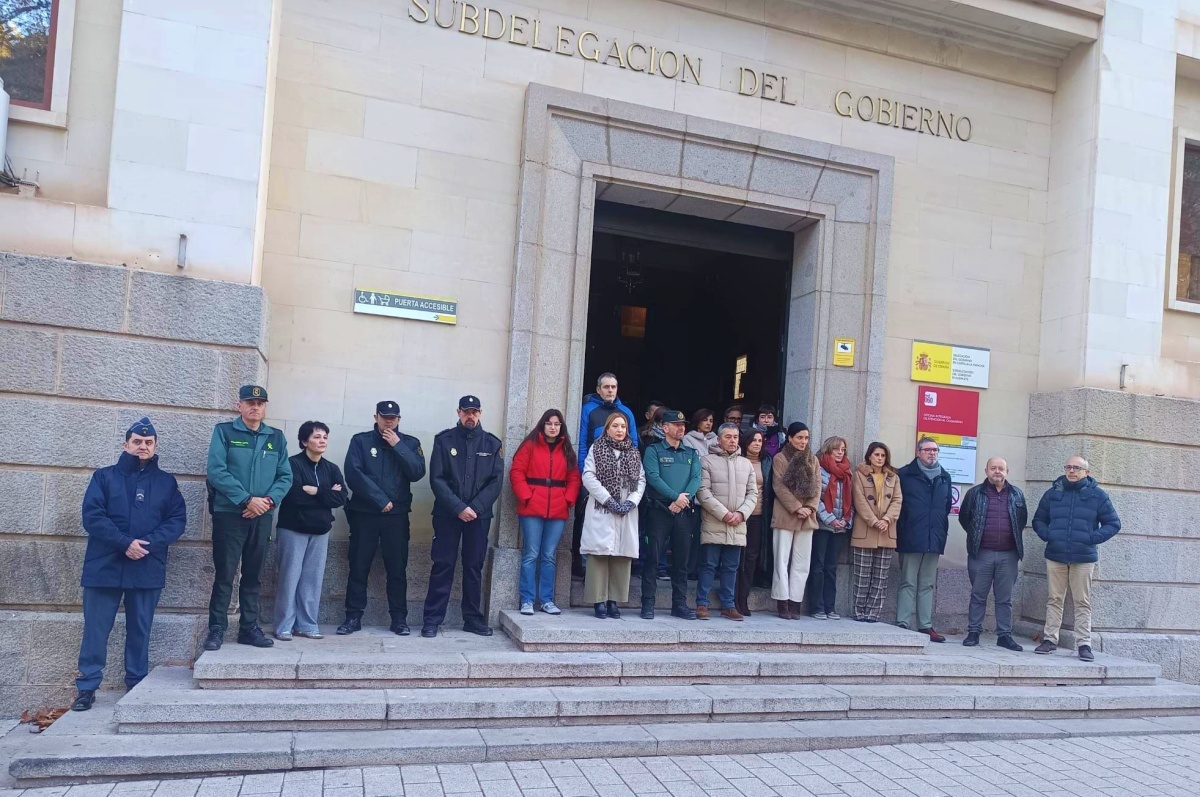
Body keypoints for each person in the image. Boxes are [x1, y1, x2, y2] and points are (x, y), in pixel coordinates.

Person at [71, 418, 186, 712]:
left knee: (140, 629)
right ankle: (87, 687)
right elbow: (92, 517)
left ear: (155, 446)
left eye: (148, 442)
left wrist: (145, 544)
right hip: (104, 566)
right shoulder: (104, 477)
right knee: (96, 630)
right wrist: (125, 543)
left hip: (146, 565)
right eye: (137, 441)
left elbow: (176, 521)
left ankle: (135, 683)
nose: (142, 446)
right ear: (126, 445)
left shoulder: (167, 483)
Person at [204, 385, 292, 651]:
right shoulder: (224, 432)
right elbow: (216, 471)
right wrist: (246, 499)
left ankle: (249, 628)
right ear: (239, 406)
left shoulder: (276, 437)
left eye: (260, 403)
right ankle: (217, 629)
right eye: (250, 402)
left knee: (253, 575)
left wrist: (266, 502)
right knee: (225, 574)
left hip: (262, 515)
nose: (255, 407)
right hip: (230, 514)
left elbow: (285, 476)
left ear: (265, 407)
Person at [338, 401, 427, 637]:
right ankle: (353, 617)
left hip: (396, 517)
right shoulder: (360, 441)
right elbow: (353, 474)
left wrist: (398, 446)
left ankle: (399, 619)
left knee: (397, 569)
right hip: (365, 515)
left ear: (399, 419)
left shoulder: (410, 443)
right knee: (358, 566)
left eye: (393, 417)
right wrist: (379, 500)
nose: (389, 421)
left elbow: (417, 473)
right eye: (385, 416)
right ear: (376, 416)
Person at [422, 395, 504, 638]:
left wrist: (475, 508)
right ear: (458, 412)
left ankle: (472, 619)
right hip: (447, 514)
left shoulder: (492, 444)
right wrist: (458, 507)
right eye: (466, 411)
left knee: (473, 567)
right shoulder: (444, 440)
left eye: (475, 412)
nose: (471, 416)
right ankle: (432, 620)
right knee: (442, 565)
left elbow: (496, 482)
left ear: (480, 413)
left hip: (479, 517)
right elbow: (437, 478)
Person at [1033, 455, 1121, 661]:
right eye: (1068, 467)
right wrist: (1048, 535)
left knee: (1082, 601)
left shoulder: (1098, 495)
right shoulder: (1053, 493)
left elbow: (1113, 523)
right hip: (1056, 554)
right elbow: (1038, 520)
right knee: (1054, 599)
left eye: (1076, 468)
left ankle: (1084, 644)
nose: (1071, 471)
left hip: (1083, 557)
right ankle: (1050, 640)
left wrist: (1092, 538)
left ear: (1086, 472)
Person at [274, 421, 347, 641]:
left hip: (320, 531)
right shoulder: (292, 464)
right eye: (317, 436)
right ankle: (284, 625)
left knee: (312, 580)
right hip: (293, 529)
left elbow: (341, 498)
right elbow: (294, 495)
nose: (322, 440)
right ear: (305, 441)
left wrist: (316, 491)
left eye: (325, 437)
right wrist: (327, 494)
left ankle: (306, 624)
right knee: (289, 578)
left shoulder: (331, 468)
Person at [510, 409, 581, 615]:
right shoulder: (530, 445)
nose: (553, 427)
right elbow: (516, 472)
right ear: (543, 425)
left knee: (549, 556)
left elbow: (574, 478)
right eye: (549, 423)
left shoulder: (566, 449)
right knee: (531, 554)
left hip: (557, 509)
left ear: (561, 427)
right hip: (532, 508)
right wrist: (526, 496)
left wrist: (568, 499)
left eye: (557, 424)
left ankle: (546, 600)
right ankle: (527, 600)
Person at [580, 413, 646, 618]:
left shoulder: (633, 451)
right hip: (602, 508)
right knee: (599, 554)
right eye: (615, 426)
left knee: (621, 555)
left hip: (626, 510)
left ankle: (614, 601)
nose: (619, 430)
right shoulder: (597, 448)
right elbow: (588, 476)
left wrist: (630, 502)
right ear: (607, 428)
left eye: (623, 427)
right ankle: (598, 600)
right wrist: (608, 500)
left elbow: (641, 480)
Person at [958, 456, 1027, 651]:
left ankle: (1004, 635)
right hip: (982, 553)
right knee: (978, 595)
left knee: (1004, 598)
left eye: (1001, 468)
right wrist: (978, 536)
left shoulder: (1017, 494)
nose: (997, 471)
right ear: (986, 471)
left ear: (1007, 471)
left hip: (1008, 555)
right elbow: (965, 519)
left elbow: (1021, 521)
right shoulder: (974, 494)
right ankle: (974, 632)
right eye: (993, 468)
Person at [573, 373, 639, 577]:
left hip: (622, 482)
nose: (610, 390)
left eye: (613, 387)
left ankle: (614, 569)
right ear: (598, 389)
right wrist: (584, 474)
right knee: (589, 523)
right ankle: (584, 567)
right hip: (594, 478)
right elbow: (582, 443)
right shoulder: (588, 410)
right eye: (606, 387)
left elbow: (634, 445)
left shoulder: (626, 412)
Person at [640, 409, 702, 619]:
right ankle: (648, 603)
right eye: (676, 425)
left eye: (683, 425)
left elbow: (696, 478)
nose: (681, 428)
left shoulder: (691, 453)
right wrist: (676, 497)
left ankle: (679, 605)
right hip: (659, 510)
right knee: (653, 558)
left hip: (683, 511)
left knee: (681, 561)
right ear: (665, 428)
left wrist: (683, 499)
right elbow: (653, 477)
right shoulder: (653, 450)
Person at [696, 423, 758, 621]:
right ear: (719, 439)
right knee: (708, 564)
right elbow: (702, 491)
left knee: (731, 566)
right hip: (714, 521)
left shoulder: (746, 464)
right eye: (728, 437)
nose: (732, 441)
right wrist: (724, 514)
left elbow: (753, 494)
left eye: (735, 437)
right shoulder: (706, 461)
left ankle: (728, 605)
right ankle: (702, 603)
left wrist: (741, 513)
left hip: (737, 523)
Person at [895, 437, 953, 642]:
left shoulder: (944, 477)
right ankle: (902, 623)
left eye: (935, 450)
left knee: (927, 583)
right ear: (918, 452)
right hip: (911, 535)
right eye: (927, 450)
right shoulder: (904, 474)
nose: (932, 453)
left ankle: (925, 625)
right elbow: (898, 504)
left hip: (934, 537)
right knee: (908, 581)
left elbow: (946, 507)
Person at [770, 422, 821, 619]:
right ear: (790, 438)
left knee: (802, 562)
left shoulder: (813, 459)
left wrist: (809, 508)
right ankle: (782, 601)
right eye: (799, 437)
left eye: (806, 438)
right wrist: (797, 507)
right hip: (786, 514)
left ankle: (795, 601)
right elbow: (779, 486)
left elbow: (817, 487)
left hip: (807, 517)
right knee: (781, 560)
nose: (803, 441)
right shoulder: (780, 458)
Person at [850, 442, 902, 623]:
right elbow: (859, 500)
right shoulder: (859, 475)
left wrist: (886, 519)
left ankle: (873, 613)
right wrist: (873, 520)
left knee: (880, 577)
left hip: (886, 530)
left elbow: (897, 501)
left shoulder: (894, 478)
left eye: (883, 455)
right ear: (869, 456)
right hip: (865, 530)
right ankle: (859, 611)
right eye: (877, 455)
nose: (880, 458)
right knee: (862, 575)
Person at [809, 436, 853, 619]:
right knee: (818, 566)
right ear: (828, 450)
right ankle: (816, 607)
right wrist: (830, 519)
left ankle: (830, 607)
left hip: (840, 527)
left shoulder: (847, 472)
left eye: (843, 449)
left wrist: (846, 520)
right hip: (822, 525)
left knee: (832, 567)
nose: (840, 453)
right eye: (836, 449)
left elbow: (851, 500)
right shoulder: (818, 469)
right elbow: (815, 498)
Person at [735, 428, 774, 617]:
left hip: (758, 515)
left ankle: (743, 597)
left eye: (760, 440)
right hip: (739, 514)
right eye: (753, 440)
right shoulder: (738, 459)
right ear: (746, 442)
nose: (757, 444)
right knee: (736, 556)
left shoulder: (767, 461)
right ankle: (731, 596)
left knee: (751, 557)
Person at [681, 408, 719, 579]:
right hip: (694, 495)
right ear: (697, 421)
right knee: (693, 534)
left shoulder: (717, 439)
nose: (708, 423)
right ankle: (689, 569)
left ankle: (705, 568)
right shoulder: (688, 439)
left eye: (711, 420)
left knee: (709, 535)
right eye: (705, 420)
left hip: (714, 493)